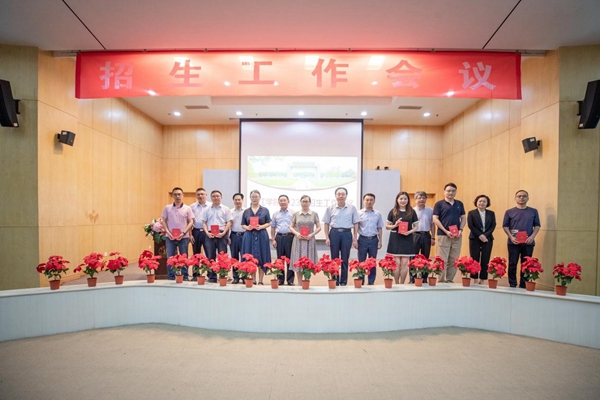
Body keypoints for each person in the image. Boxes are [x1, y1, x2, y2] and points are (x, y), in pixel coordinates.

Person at [502, 190, 541, 288]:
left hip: (528, 242)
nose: (521, 198)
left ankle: (523, 284)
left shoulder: (533, 211)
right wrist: (511, 237)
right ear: (515, 198)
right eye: (519, 196)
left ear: (528, 198)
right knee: (512, 263)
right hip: (513, 242)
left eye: (524, 196)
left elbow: (537, 225)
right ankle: (512, 283)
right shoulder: (509, 212)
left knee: (526, 264)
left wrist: (532, 237)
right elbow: (505, 226)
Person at [323, 187, 360, 286]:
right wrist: (327, 237)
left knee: (345, 258)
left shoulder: (352, 208)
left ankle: (343, 282)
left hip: (346, 234)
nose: (341, 196)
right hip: (334, 233)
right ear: (335, 196)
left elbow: (356, 223)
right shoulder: (330, 208)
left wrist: (355, 237)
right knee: (334, 259)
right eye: (338, 194)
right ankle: (334, 280)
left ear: (346, 196)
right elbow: (326, 223)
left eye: (343, 194)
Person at [432, 183, 466, 283]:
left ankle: (450, 279)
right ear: (444, 192)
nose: (451, 193)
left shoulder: (459, 204)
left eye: (453, 191)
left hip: (457, 236)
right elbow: (435, 219)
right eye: (448, 191)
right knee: (442, 259)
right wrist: (446, 231)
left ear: (456, 192)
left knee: (454, 258)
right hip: (443, 235)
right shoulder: (439, 204)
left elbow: (463, 217)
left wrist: (460, 229)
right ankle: (441, 280)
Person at [161, 187, 195, 280]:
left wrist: (184, 233)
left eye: (179, 194)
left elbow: (191, 221)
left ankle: (185, 276)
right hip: (170, 237)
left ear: (183, 195)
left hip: (183, 237)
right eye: (175, 194)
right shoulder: (167, 208)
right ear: (172, 196)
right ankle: (171, 276)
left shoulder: (187, 208)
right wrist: (167, 231)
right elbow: (163, 220)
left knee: (184, 257)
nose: (177, 196)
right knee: (170, 257)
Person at [386, 191, 419, 284]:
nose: (403, 201)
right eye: (401, 199)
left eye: (405, 199)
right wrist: (395, 225)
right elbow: (387, 226)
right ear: (397, 200)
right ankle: (397, 283)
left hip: (407, 239)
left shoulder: (412, 211)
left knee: (404, 263)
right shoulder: (393, 211)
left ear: (408, 200)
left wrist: (409, 232)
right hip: (395, 239)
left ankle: (402, 284)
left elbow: (416, 226)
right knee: (397, 263)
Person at [241, 190, 272, 285]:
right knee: (251, 256)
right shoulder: (246, 211)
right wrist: (248, 227)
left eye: (256, 196)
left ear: (259, 198)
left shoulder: (265, 210)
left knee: (262, 256)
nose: (254, 198)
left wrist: (261, 226)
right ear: (250, 198)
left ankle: (261, 280)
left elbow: (269, 222)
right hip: (249, 236)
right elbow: (243, 224)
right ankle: (253, 279)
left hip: (261, 235)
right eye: (253, 197)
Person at [289, 195, 321, 284]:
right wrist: (297, 234)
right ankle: (299, 284)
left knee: (308, 262)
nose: (305, 203)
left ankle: (306, 282)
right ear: (300, 202)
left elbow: (319, 227)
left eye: (306, 201)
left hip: (309, 241)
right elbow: (291, 227)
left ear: (310, 203)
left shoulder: (314, 214)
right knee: (298, 261)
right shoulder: (296, 214)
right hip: (298, 241)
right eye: (303, 201)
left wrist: (311, 234)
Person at [202, 190, 232, 283]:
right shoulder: (207, 209)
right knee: (210, 256)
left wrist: (224, 233)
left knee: (222, 257)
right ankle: (212, 277)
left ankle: (223, 276)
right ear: (211, 198)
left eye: (217, 196)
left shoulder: (226, 209)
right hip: (209, 234)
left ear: (221, 197)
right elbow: (204, 222)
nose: (216, 198)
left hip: (221, 234)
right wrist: (207, 233)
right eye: (214, 196)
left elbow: (229, 222)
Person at [355, 193, 384, 285]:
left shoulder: (378, 214)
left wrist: (380, 241)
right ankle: (361, 282)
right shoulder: (359, 213)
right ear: (364, 201)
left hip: (374, 240)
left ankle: (371, 282)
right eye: (367, 200)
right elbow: (356, 227)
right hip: (362, 240)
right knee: (361, 262)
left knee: (372, 262)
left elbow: (379, 227)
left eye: (371, 200)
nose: (369, 202)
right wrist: (355, 239)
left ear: (374, 201)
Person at [467, 194, 496, 284]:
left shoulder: (491, 213)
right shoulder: (471, 213)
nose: (482, 203)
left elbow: (493, 225)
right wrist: (480, 235)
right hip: (474, 238)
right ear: (476, 202)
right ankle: (474, 278)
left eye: (484, 201)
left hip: (487, 239)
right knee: (474, 258)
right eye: (480, 201)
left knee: (485, 259)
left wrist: (485, 235)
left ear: (487, 203)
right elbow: (471, 225)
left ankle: (482, 279)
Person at [270, 195, 295, 285]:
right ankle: (280, 280)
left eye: (284, 200)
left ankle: (290, 280)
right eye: (281, 200)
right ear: (278, 202)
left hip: (290, 237)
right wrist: (273, 239)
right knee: (279, 260)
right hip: (279, 237)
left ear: (288, 201)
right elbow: (273, 227)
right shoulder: (275, 214)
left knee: (290, 259)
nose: (283, 202)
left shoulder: (293, 213)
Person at [412, 191, 436, 283]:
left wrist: (433, 237)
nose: (421, 199)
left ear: (426, 199)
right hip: (415, 235)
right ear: (415, 200)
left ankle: (424, 278)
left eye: (423, 198)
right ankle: (413, 278)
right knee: (413, 257)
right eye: (419, 198)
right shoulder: (411, 211)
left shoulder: (430, 210)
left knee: (425, 257)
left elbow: (432, 225)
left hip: (426, 235)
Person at [190, 188, 211, 279]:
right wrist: (190, 234)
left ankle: (210, 274)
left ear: (206, 195)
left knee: (209, 253)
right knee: (196, 254)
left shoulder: (211, 206)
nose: (200, 196)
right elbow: (189, 221)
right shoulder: (192, 206)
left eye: (202, 194)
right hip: (196, 231)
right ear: (196, 196)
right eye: (198, 194)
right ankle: (196, 274)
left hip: (207, 232)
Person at [229, 193, 245, 284]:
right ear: (233, 201)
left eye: (239, 199)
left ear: (242, 200)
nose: (237, 201)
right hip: (234, 236)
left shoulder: (247, 211)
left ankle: (244, 276)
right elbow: (228, 224)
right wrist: (228, 237)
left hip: (244, 236)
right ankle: (235, 277)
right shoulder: (230, 211)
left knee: (244, 257)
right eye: (236, 200)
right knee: (234, 257)